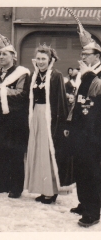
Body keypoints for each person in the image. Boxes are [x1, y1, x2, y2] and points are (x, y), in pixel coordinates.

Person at [0, 7, 30, 198]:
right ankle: (2, 183)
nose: (1, 56)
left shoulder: (22, 73)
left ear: (14, 57)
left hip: (16, 119)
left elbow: (21, 94)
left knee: (16, 154)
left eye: (5, 54)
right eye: (0, 54)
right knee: (0, 153)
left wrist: (1, 90)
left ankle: (16, 187)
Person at [24, 43, 74, 204]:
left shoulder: (56, 75)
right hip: (36, 116)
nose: (40, 61)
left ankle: (52, 191)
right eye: (38, 58)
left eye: (43, 58)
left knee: (48, 153)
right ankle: (42, 188)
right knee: (38, 152)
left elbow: (60, 101)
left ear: (50, 59)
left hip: (50, 118)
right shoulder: (34, 75)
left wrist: (61, 124)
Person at [65, 8, 101, 227]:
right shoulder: (84, 71)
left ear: (97, 55)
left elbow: (93, 96)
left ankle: (93, 211)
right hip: (81, 129)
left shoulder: (95, 74)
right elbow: (78, 100)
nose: (82, 56)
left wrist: (86, 74)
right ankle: (84, 202)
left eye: (86, 53)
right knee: (81, 167)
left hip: (95, 131)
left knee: (93, 170)